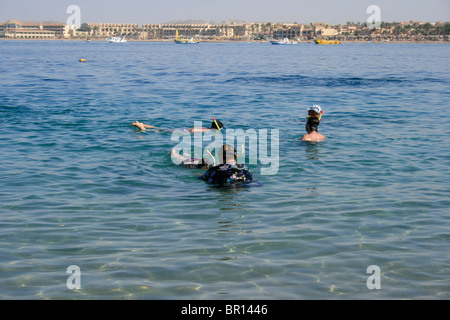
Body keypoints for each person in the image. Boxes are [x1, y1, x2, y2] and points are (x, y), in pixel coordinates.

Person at [131, 119, 224, 132]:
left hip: (183, 129)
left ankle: (142, 124)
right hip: (184, 131)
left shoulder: (207, 128)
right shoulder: (209, 130)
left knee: (160, 129)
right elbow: (193, 130)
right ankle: (141, 127)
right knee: (155, 132)